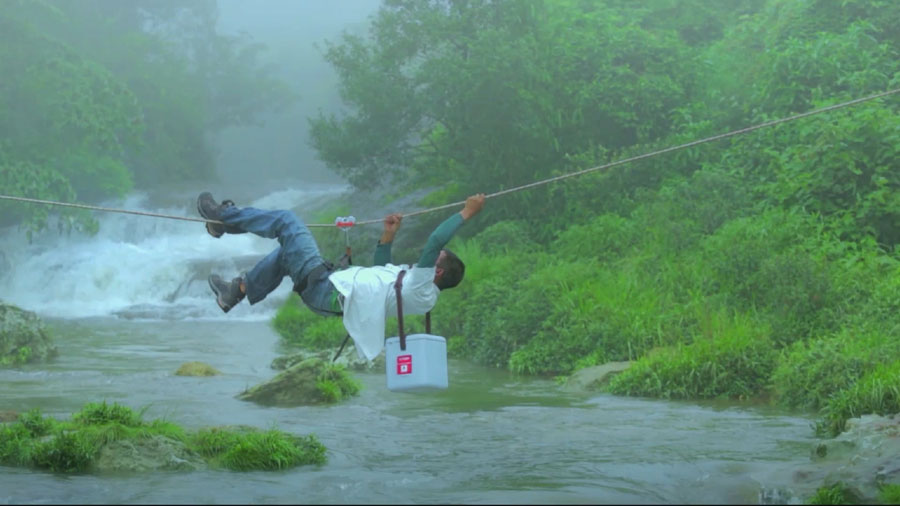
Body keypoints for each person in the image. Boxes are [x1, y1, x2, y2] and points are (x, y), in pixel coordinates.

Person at [197, 191, 486, 360]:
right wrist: (388, 236)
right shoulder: (416, 288)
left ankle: (223, 217)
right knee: (288, 252)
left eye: (435, 259)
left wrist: (466, 212)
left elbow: (435, 240)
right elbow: (380, 270)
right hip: (327, 289)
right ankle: (237, 290)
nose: (427, 256)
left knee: (288, 222)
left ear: (437, 271)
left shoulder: (424, 289)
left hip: (327, 290)